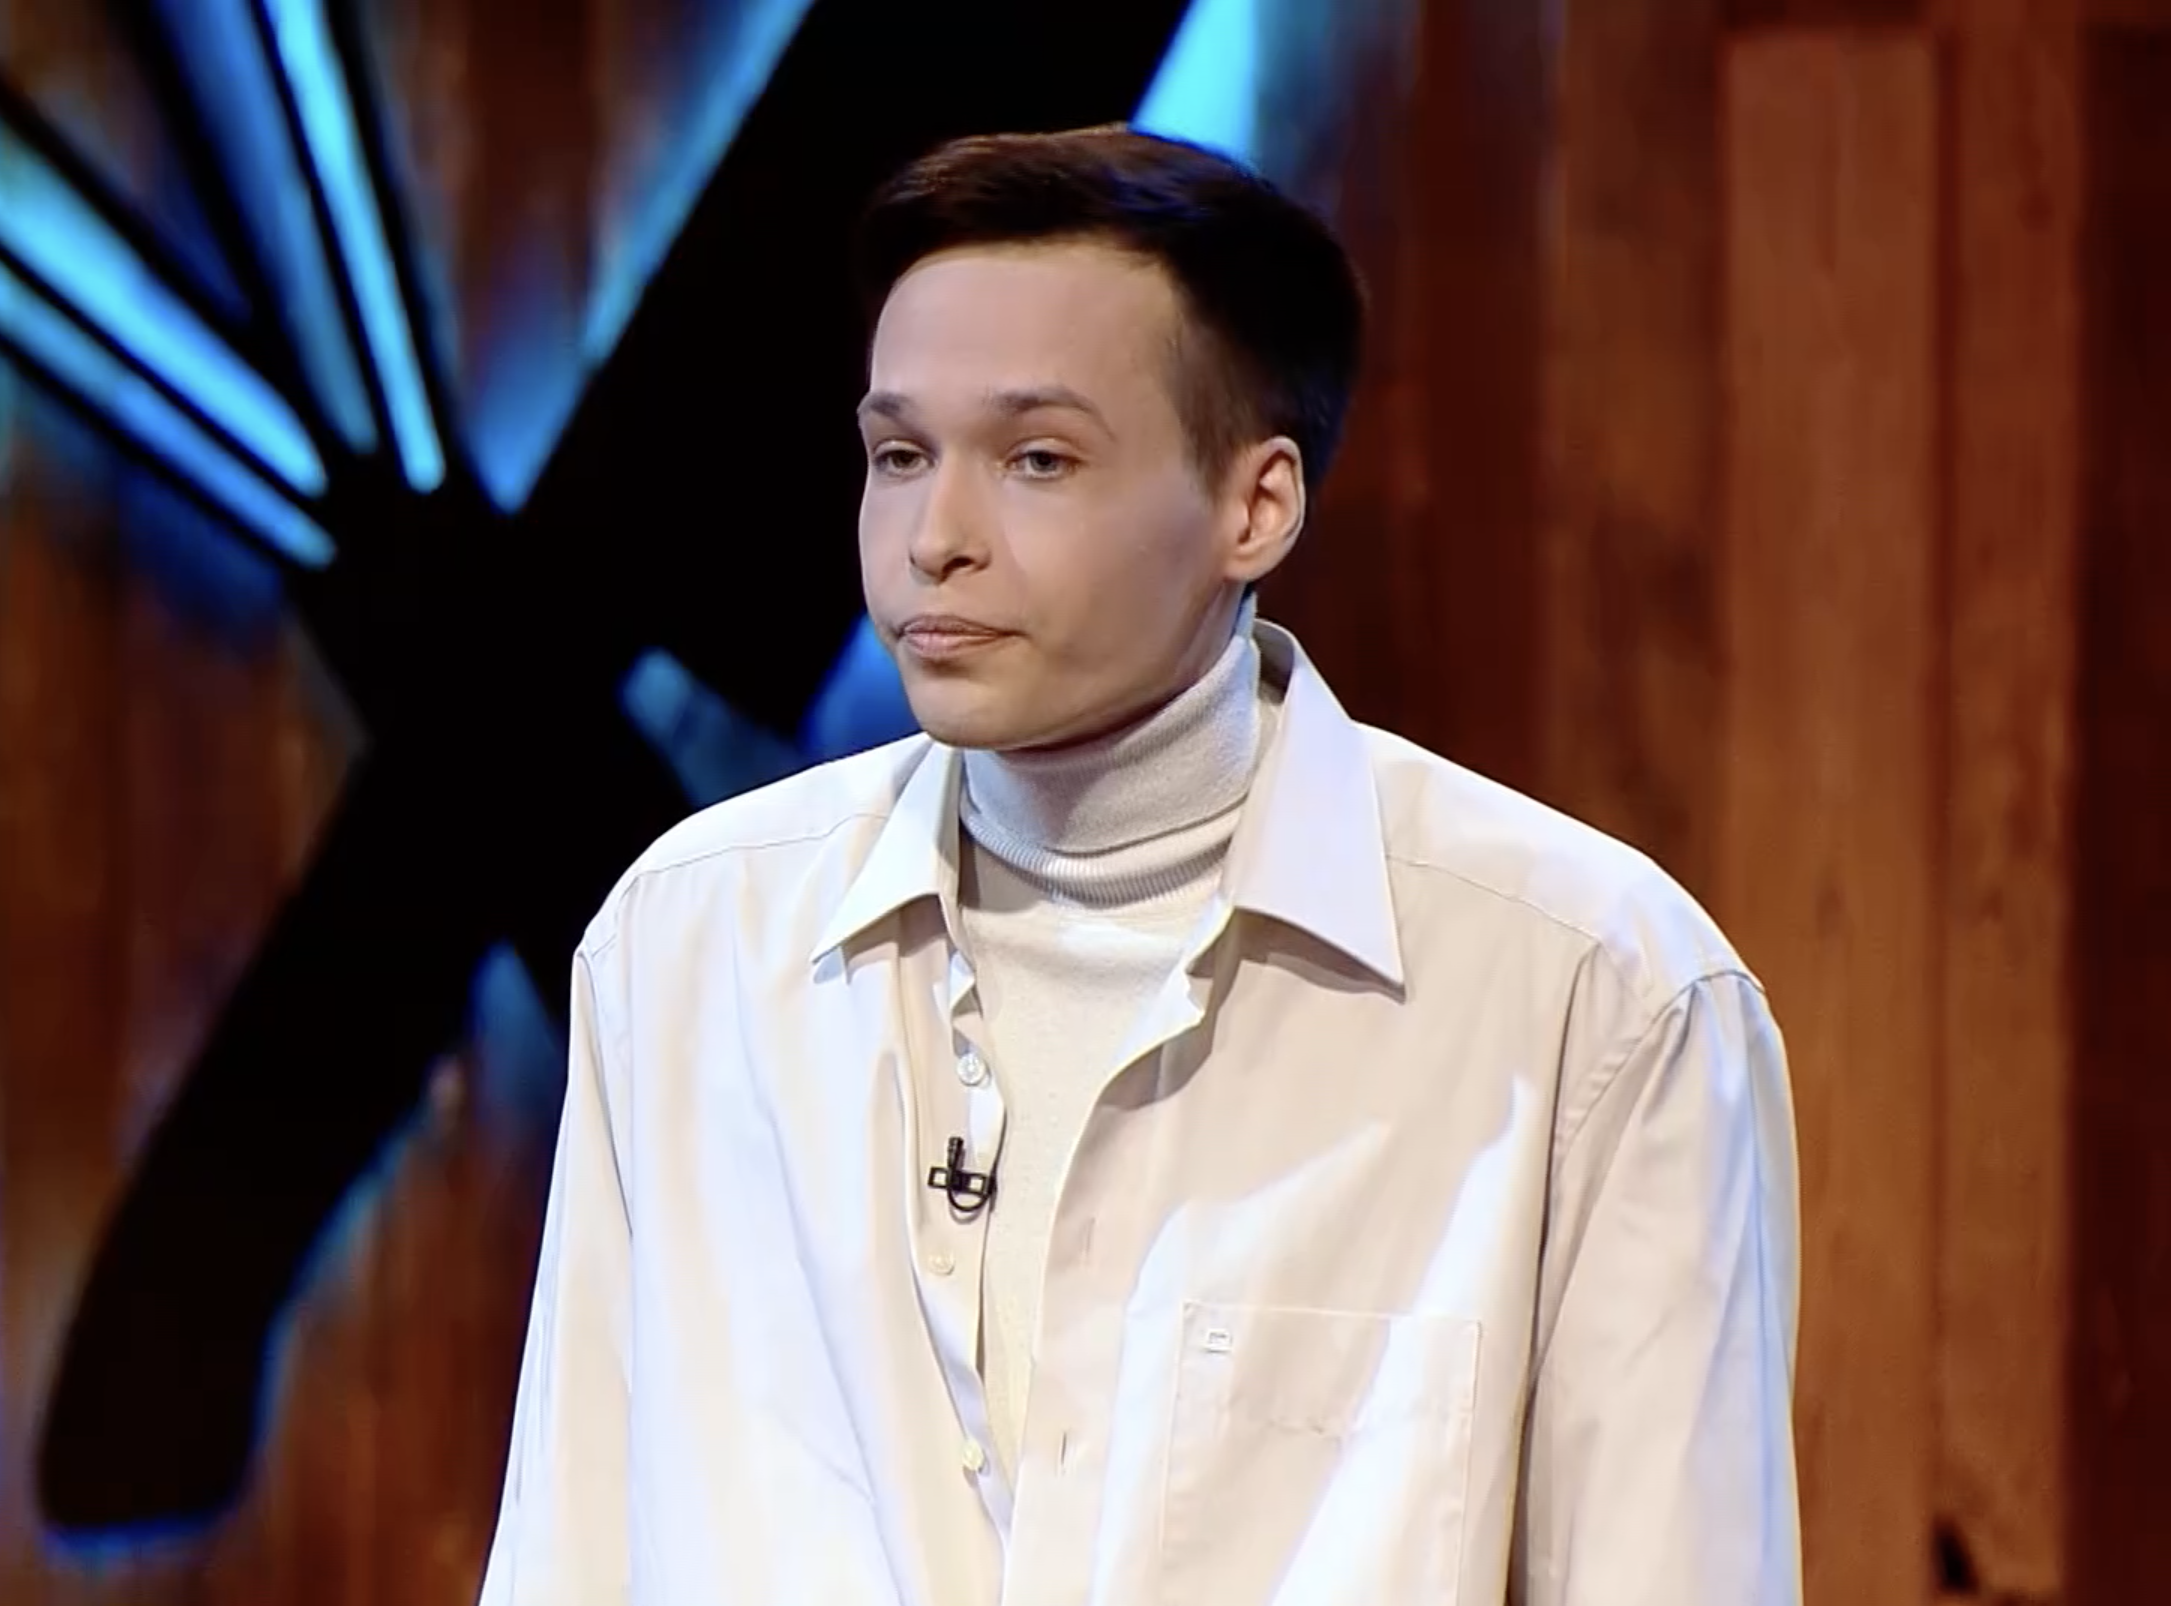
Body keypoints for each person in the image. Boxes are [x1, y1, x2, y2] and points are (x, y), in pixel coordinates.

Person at [477, 126, 1799, 1605]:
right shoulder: (689, 944)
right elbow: (568, 1556)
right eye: (899, 455)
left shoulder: (1593, 995)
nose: (933, 539)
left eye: (1036, 459)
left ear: (1256, 505)